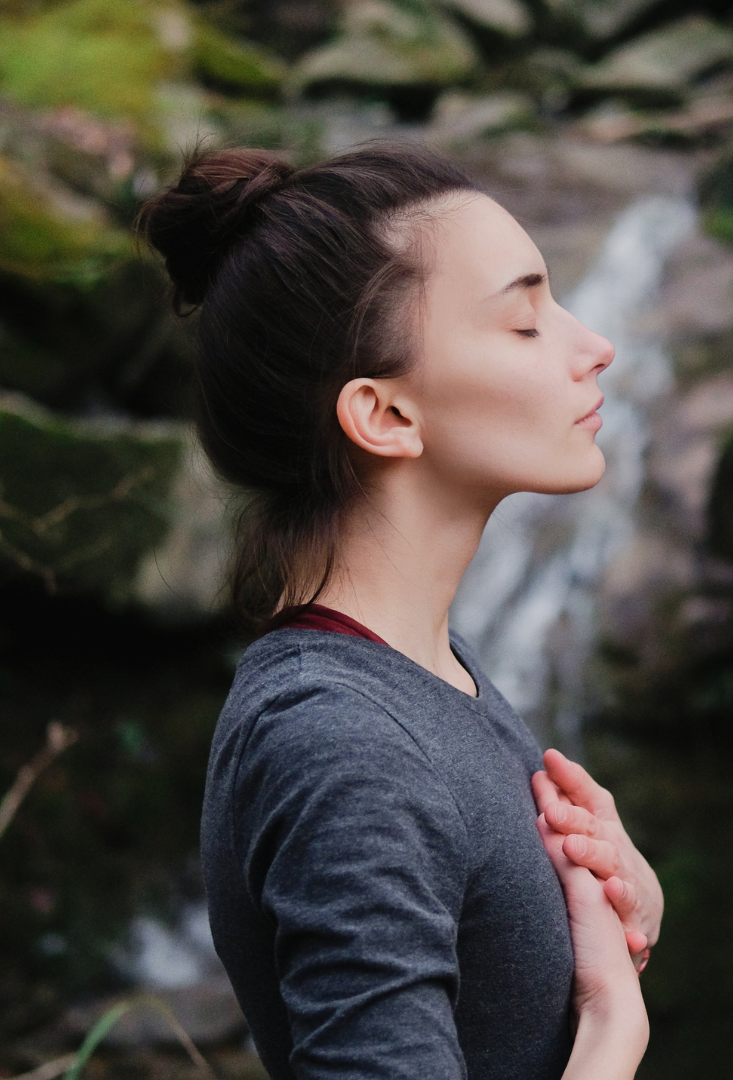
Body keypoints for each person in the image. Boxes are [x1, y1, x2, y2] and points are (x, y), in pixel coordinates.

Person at [138, 143, 664, 1080]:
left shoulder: (421, 671)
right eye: (525, 323)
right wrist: (613, 1031)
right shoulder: (341, 743)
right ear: (384, 415)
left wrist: (612, 924)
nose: (595, 345)